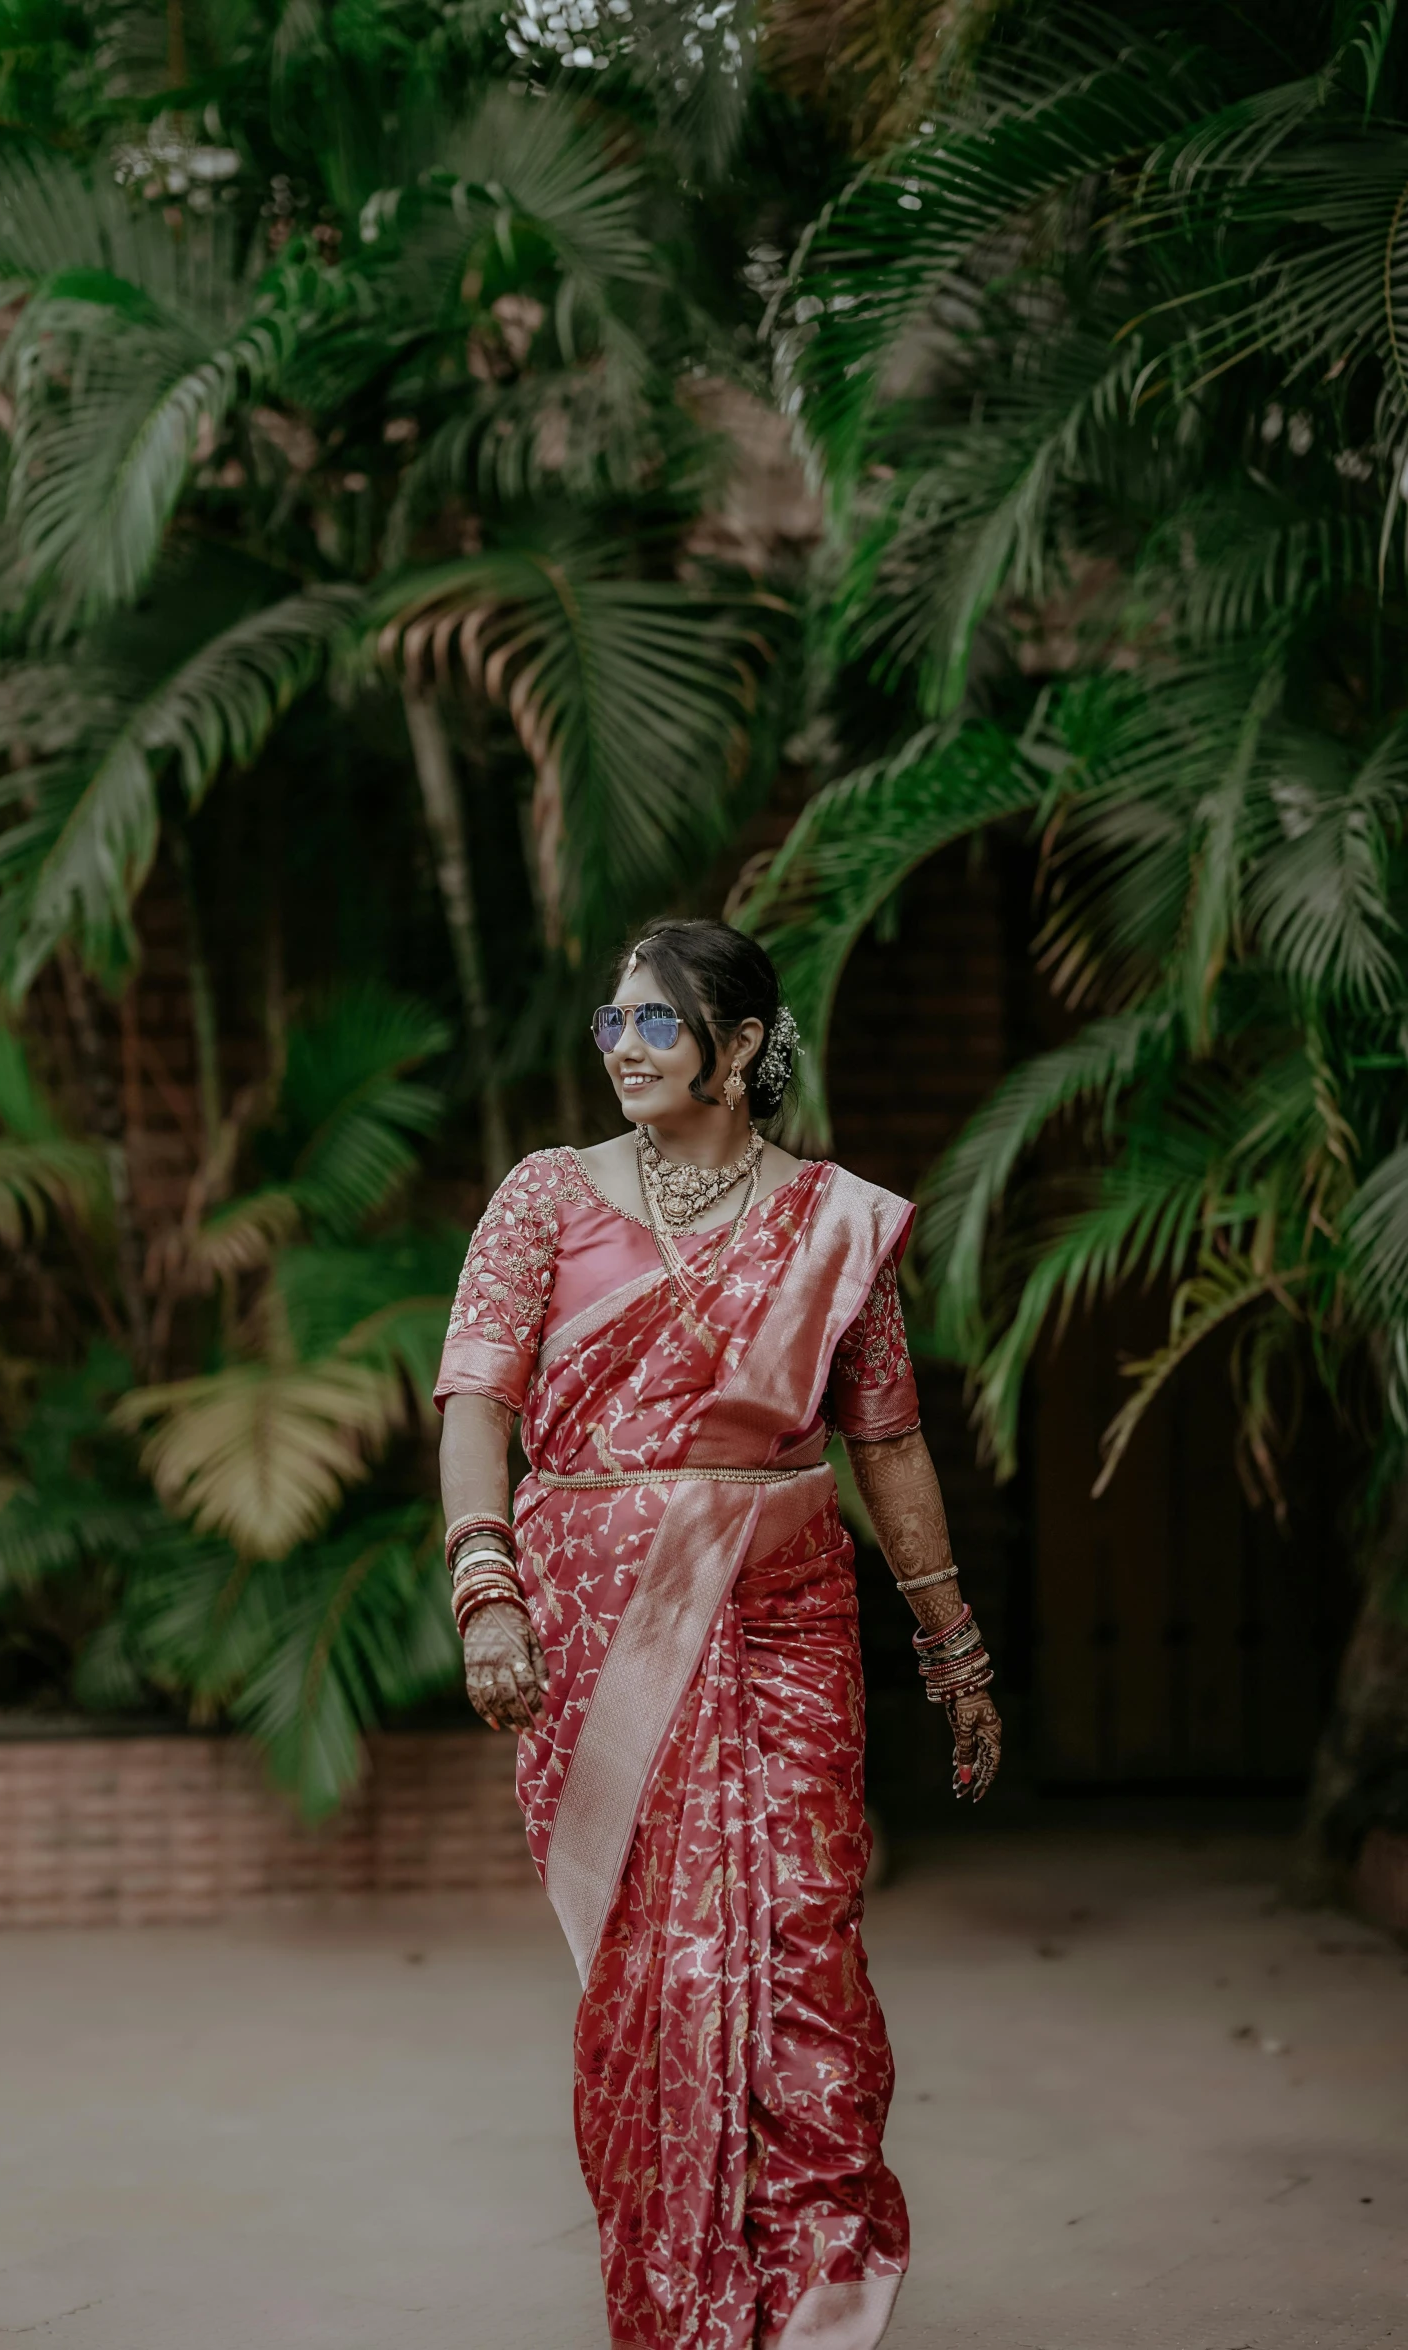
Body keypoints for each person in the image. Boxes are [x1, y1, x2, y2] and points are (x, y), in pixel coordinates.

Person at [434, 918, 1001, 2350]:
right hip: (595, 1623)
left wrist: (952, 1645)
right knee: (658, 1971)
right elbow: (475, 1404)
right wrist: (485, 1586)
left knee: (805, 1942)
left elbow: (887, 1440)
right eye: (609, 1024)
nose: (621, 1048)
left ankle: (814, 2309)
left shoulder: (832, 1218)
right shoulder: (544, 1199)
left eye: (654, 1023)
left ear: (739, 1044)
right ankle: (678, 2306)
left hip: (786, 1615)